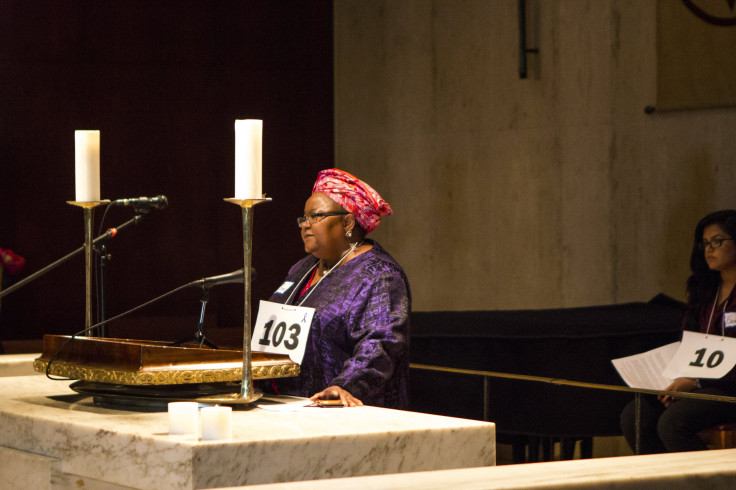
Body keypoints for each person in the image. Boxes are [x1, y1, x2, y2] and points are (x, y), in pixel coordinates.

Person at [264, 168, 411, 409]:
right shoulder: (303, 268)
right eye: (303, 218)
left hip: (346, 410)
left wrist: (347, 385)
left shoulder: (380, 275)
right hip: (287, 406)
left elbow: (381, 343)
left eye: (315, 216)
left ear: (348, 222)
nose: (305, 225)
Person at [620, 210, 736, 453]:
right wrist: (677, 380)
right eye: (704, 243)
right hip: (699, 384)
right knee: (635, 415)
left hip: (730, 389)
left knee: (673, 422)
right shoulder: (703, 289)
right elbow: (690, 342)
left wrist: (695, 382)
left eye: (717, 241)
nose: (708, 249)